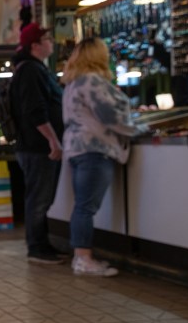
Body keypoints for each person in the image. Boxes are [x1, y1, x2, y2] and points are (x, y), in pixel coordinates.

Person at [62, 38, 143, 276]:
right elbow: (110, 116)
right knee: (86, 207)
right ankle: (84, 259)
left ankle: (80, 257)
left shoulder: (72, 83)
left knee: (82, 205)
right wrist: (137, 129)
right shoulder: (92, 82)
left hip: (76, 149)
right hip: (94, 149)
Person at [10, 22, 65, 264]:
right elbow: (35, 110)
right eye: (48, 40)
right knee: (39, 198)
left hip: (35, 147)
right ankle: (37, 247)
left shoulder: (32, 69)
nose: (52, 43)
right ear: (35, 46)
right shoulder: (30, 71)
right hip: (37, 147)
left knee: (41, 197)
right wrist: (53, 140)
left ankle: (41, 243)